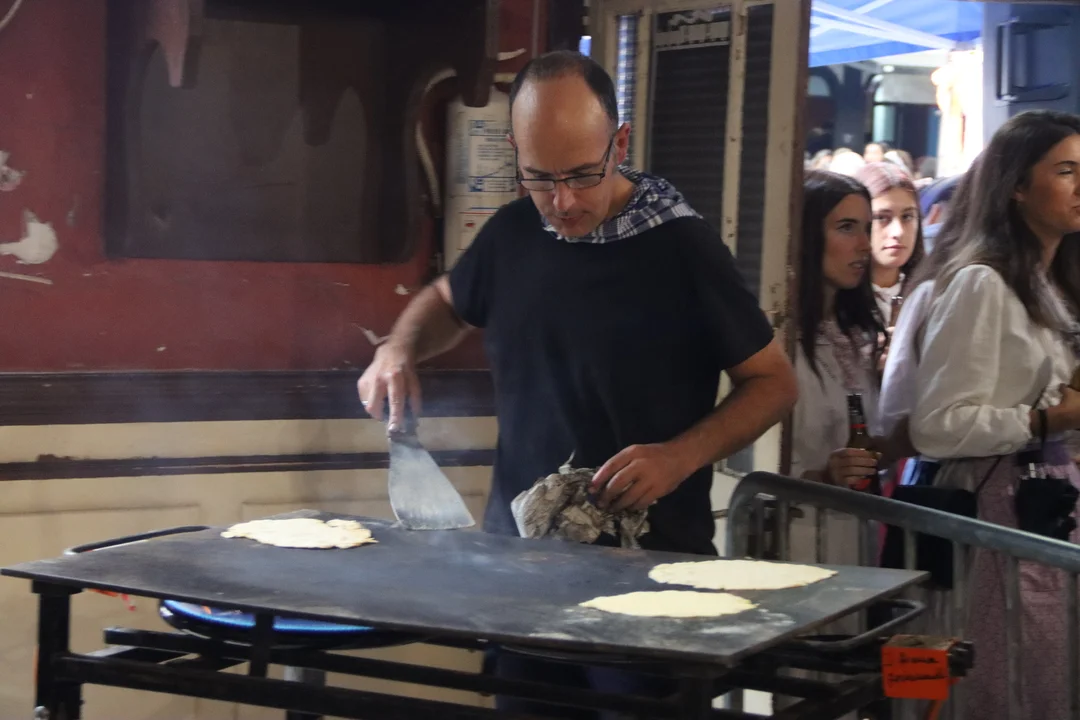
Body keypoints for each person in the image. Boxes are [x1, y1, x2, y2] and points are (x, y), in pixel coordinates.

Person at [356, 50, 798, 717]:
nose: (561, 202)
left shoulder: (680, 246)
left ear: (619, 143)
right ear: (516, 153)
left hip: (649, 581)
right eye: (539, 178)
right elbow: (448, 301)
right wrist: (399, 347)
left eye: (582, 176)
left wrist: (679, 457)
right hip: (521, 579)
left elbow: (773, 382)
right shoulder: (513, 233)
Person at [906, 109, 1080, 719]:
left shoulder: (1052, 284)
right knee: (1012, 679)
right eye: (1066, 170)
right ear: (1017, 185)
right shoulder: (982, 283)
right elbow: (937, 425)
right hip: (1002, 510)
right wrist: (1046, 422)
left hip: (1050, 508)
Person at [853, 162, 925, 333]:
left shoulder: (930, 292)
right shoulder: (833, 299)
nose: (898, 232)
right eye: (882, 217)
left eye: (907, 217)